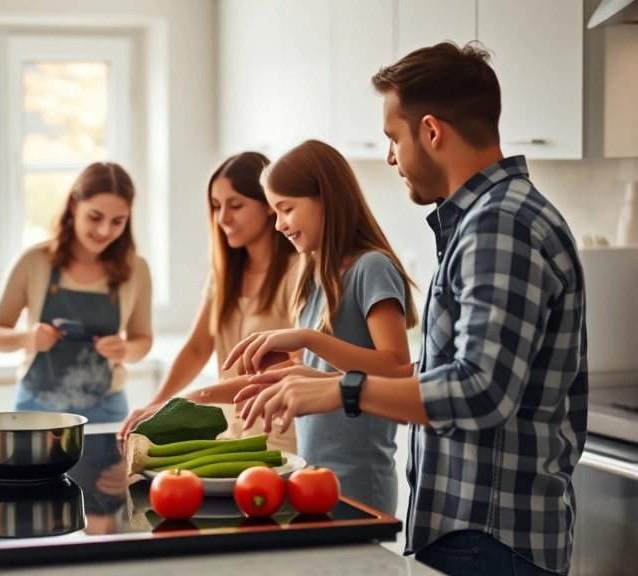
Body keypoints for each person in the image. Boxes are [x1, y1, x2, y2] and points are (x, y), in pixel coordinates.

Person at [237, 42, 587, 576]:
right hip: (474, 529)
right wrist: (323, 379)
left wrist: (343, 389)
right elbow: (454, 372)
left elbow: (481, 391)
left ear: (431, 131)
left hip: (488, 535)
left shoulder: (499, 225)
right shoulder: (488, 220)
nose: (390, 157)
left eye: (393, 137)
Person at [220, 139, 417, 516]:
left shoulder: (371, 268)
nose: (279, 225)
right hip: (311, 477)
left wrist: (308, 338)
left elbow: (396, 369)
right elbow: (308, 375)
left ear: (325, 198)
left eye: (286, 209)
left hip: (357, 482)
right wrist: (193, 399)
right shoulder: (312, 275)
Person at [118, 151, 300, 453]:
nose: (222, 218)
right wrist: (158, 404)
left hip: (280, 438)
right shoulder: (224, 274)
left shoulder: (298, 272)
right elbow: (197, 347)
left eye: (235, 205)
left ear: (270, 205)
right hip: (229, 436)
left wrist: (195, 397)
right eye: (216, 206)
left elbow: (294, 367)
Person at [0, 162, 153, 424]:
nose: (104, 230)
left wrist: (125, 350)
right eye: (95, 217)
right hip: (35, 408)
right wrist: (29, 338)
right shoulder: (33, 261)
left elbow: (143, 340)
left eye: (118, 221)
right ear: (74, 205)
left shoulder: (137, 269)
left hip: (106, 410)